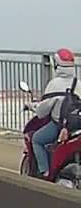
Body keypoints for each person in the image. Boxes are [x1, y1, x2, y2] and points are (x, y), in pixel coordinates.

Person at [29, 48, 78, 178]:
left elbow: (42, 111)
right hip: (77, 127)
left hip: (59, 126)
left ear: (56, 65)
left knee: (36, 139)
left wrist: (33, 106)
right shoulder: (78, 83)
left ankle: (45, 172)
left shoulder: (54, 84)